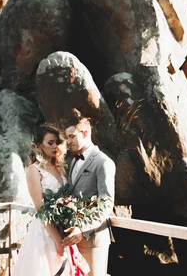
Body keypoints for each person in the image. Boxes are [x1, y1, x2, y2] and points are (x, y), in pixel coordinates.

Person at [13, 123, 89, 276]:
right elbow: (39, 207)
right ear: (39, 145)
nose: (55, 146)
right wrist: (56, 240)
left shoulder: (60, 168)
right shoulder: (33, 171)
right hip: (46, 232)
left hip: (64, 229)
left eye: (57, 142)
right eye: (50, 142)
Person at [62, 109, 116, 276]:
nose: (68, 141)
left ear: (85, 133)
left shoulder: (103, 162)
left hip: (93, 238)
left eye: (72, 136)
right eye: (67, 137)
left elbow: (106, 203)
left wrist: (81, 228)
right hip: (72, 238)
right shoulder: (72, 161)